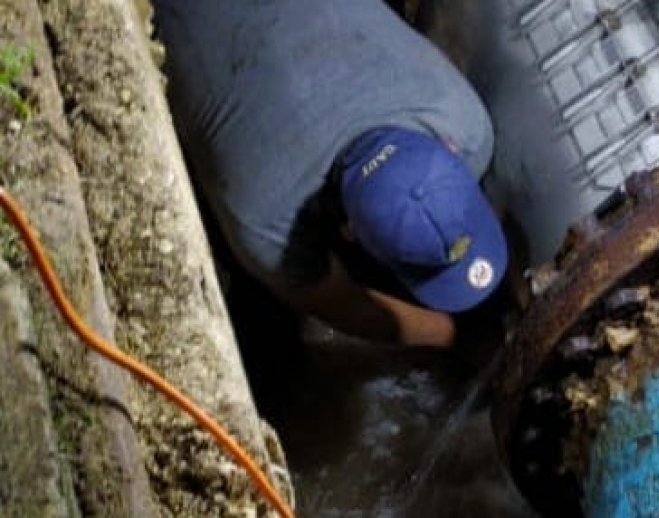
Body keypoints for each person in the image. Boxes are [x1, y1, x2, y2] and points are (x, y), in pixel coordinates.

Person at [152, 0, 509, 347]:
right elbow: (344, 306)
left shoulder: (464, 120)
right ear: (350, 233)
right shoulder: (264, 217)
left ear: (450, 150)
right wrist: (448, 335)